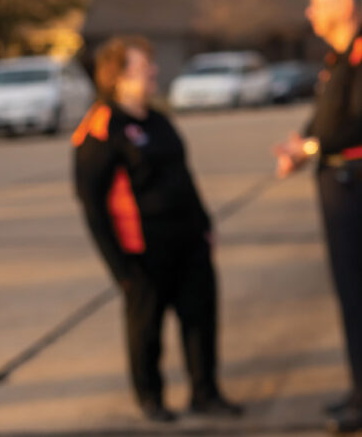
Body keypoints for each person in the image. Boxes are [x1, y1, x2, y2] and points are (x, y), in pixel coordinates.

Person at [72, 36, 241, 423]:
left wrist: (205, 226)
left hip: (188, 242)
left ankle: (206, 392)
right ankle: (151, 398)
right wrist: (120, 268)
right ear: (117, 77)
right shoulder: (101, 129)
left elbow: (184, 176)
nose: (153, 73)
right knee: (146, 330)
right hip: (142, 251)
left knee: (200, 320)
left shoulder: (159, 119)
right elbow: (92, 206)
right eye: (143, 68)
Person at [273, 0, 362, 433]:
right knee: (350, 295)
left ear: (347, 5)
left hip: (359, 188)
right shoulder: (342, 57)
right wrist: (302, 147)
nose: (310, 13)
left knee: (356, 293)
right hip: (340, 185)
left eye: (318, 3)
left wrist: (310, 148)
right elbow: (328, 118)